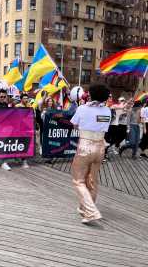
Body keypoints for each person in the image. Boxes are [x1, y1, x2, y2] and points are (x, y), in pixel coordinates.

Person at [70, 84, 111, 224]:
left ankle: (91, 212)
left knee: (78, 181)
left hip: (85, 146)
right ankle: (84, 209)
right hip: (100, 147)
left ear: (91, 95)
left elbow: (74, 124)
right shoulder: (107, 111)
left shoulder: (82, 108)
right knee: (92, 180)